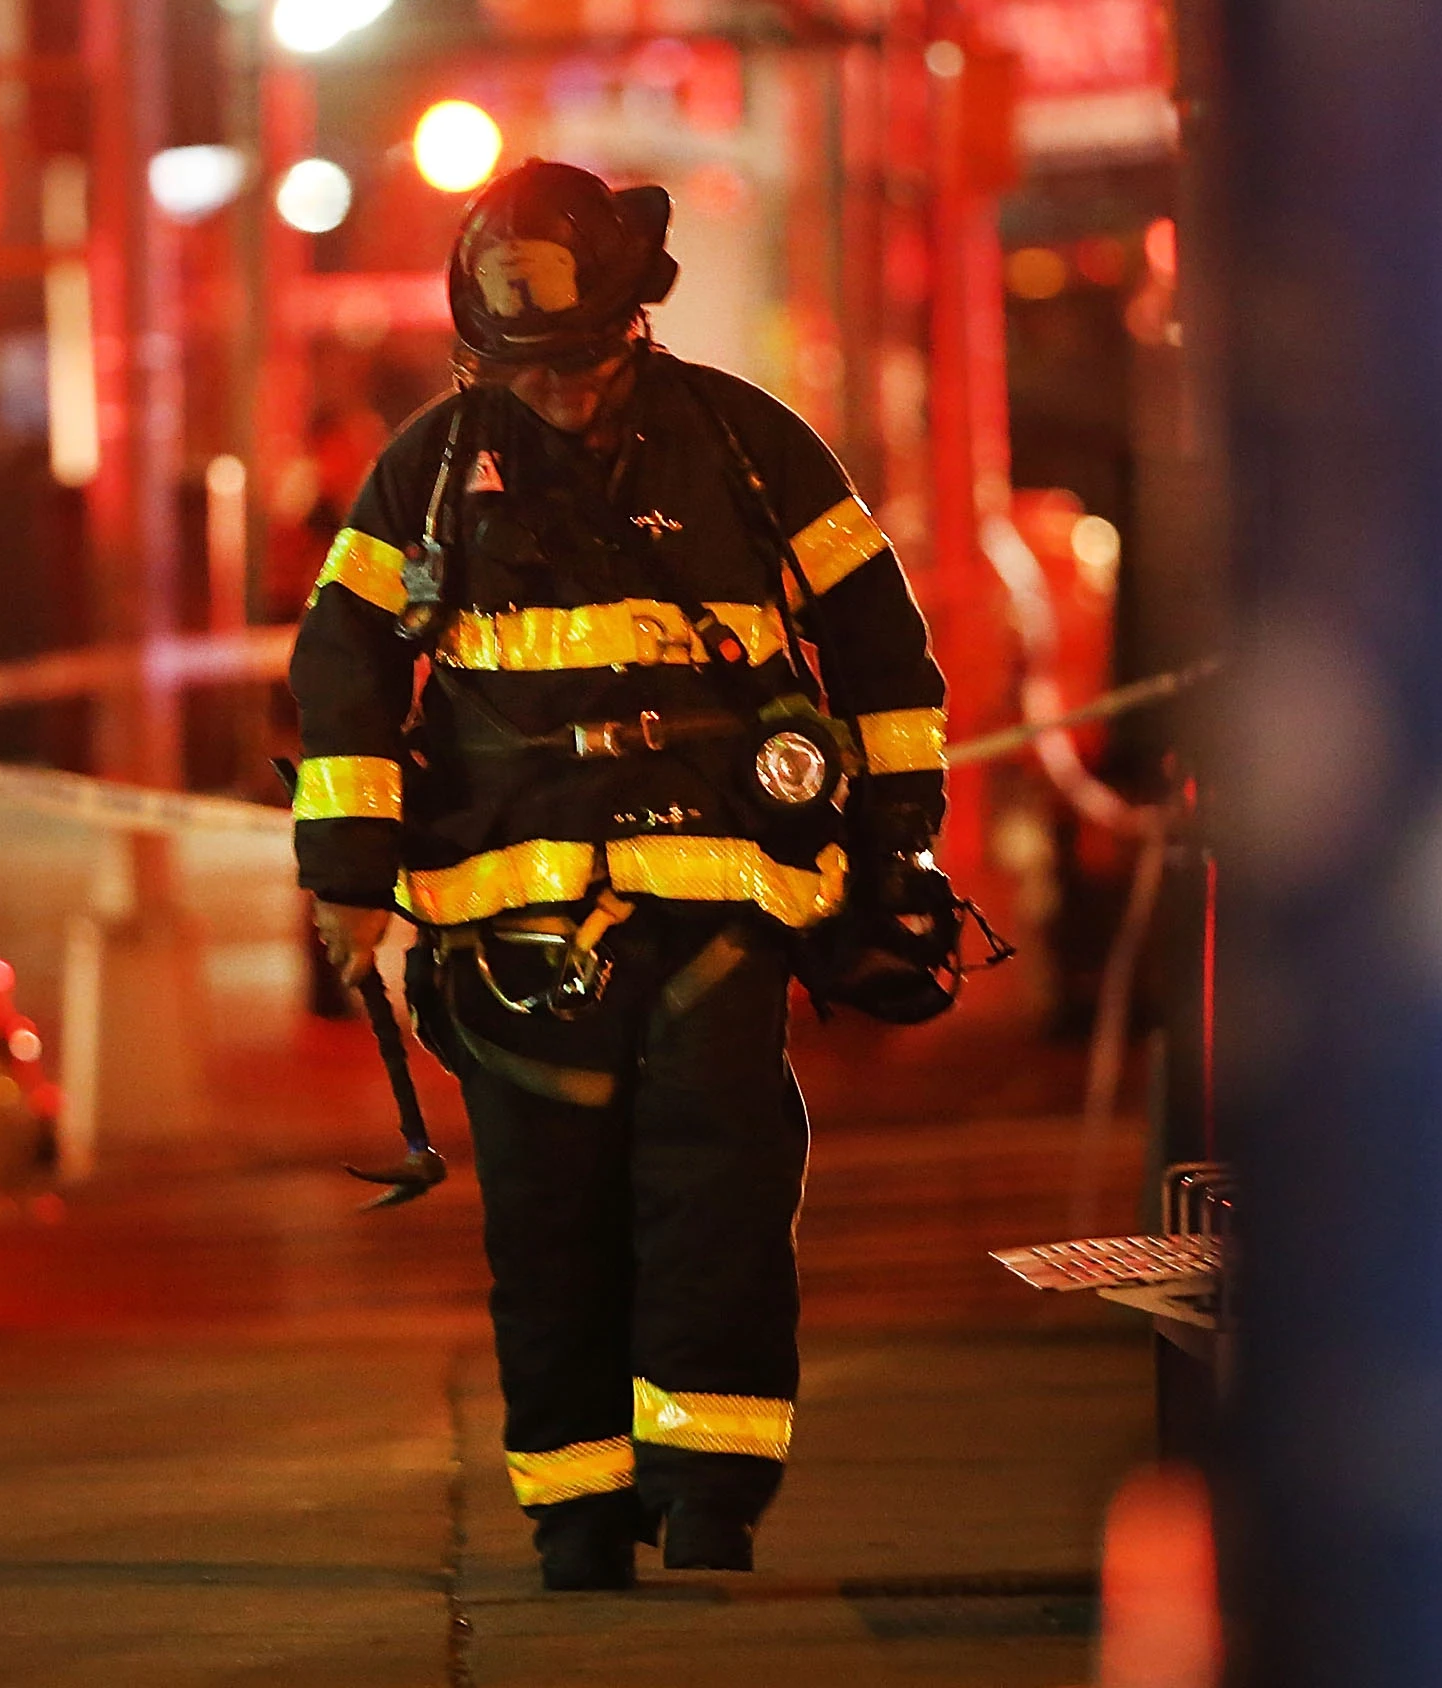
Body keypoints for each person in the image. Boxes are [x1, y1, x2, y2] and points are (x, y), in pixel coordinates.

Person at [288, 161, 953, 1590]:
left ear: (633, 324)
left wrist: (901, 844)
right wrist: (347, 876)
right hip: (514, 935)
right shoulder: (427, 472)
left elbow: (880, 644)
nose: (563, 391)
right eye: (527, 366)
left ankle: (711, 1493)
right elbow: (344, 667)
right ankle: (577, 1512)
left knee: (717, 1198)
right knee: (549, 1221)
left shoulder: (747, 443)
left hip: (724, 909)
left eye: (586, 360)